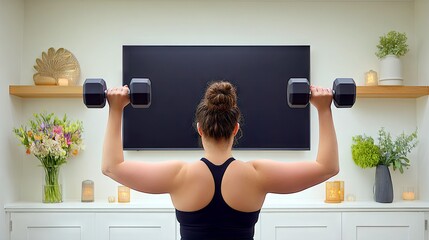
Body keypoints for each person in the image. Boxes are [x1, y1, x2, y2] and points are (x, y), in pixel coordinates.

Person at [102, 81, 339, 240]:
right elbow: (327, 168)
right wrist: (323, 109)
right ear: (235, 129)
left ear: (200, 129)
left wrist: (116, 109)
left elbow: (111, 167)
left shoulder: (179, 176)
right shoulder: (257, 175)